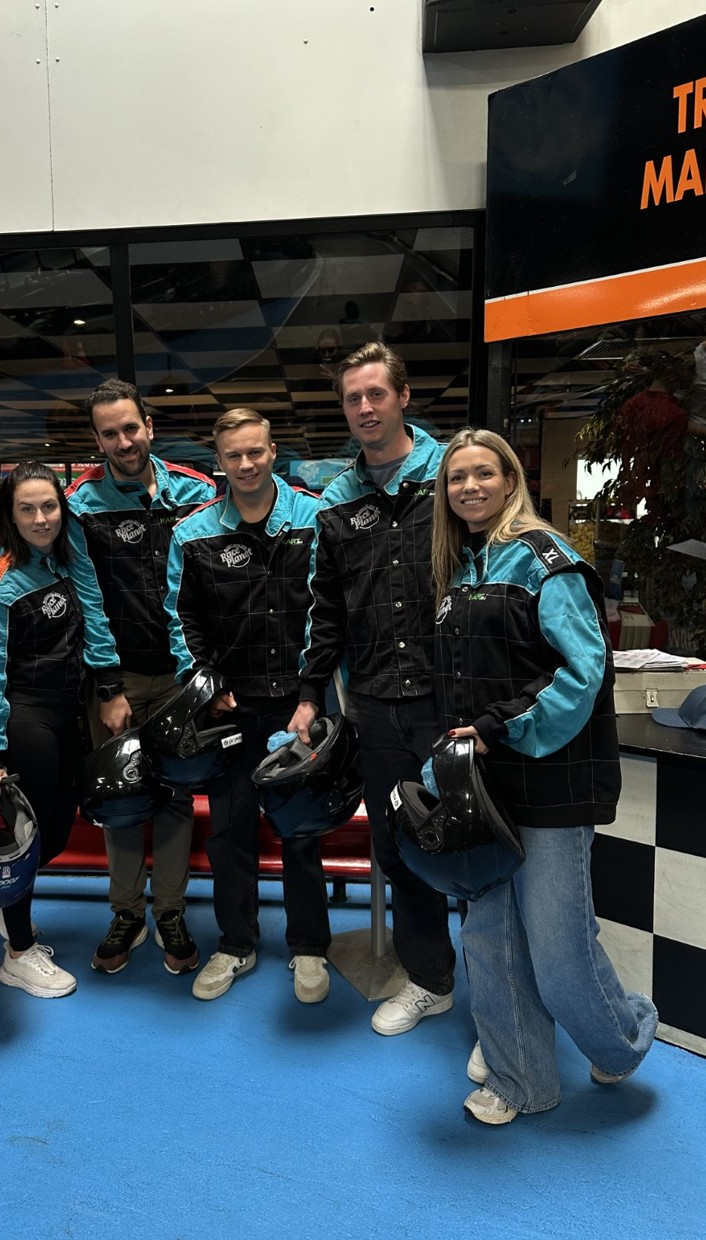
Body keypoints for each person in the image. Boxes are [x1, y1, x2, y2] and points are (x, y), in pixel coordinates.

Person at [431, 427, 657, 1125]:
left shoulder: (546, 558)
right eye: (456, 477)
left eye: (483, 473)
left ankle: (624, 1038)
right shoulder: (459, 568)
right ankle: (520, 1080)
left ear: (510, 480)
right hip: (486, 787)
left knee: (558, 951)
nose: (469, 486)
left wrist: (498, 727)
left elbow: (583, 671)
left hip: (553, 782)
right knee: (489, 941)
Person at [288, 341, 456, 1035]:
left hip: (456, 700)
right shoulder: (337, 500)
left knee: (478, 841)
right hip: (378, 705)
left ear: (403, 396)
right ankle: (431, 981)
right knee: (400, 845)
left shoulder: (451, 475)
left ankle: (506, 1002)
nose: (364, 407)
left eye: (376, 393)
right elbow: (325, 607)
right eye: (352, 398)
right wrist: (309, 694)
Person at [166, 410, 331, 1002]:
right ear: (219, 461)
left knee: (300, 831)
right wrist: (206, 687)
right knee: (230, 832)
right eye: (233, 455)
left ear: (273, 451)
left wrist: (311, 693)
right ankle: (236, 943)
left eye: (255, 452)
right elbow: (180, 619)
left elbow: (327, 610)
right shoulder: (191, 534)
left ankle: (308, 946)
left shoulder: (313, 519)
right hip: (229, 711)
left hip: (298, 708)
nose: (246, 464)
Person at [67, 379, 216, 976]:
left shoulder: (198, 491)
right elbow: (87, 600)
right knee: (121, 796)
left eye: (131, 428)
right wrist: (108, 688)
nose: (123, 441)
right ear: (97, 439)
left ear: (149, 427)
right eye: (110, 433)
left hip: (182, 676)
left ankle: (171, 911)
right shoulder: (80, 504)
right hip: (119, 679)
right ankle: (126, 912)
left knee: (177, 796)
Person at [0, 462, 94, 999]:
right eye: (27, 509)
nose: (41, 518)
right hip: (26, 719)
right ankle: (18, 953)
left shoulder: (61, 562)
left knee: (58, 835)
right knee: (27, 840)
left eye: (49, 506)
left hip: (68, 714)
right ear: (9, 515)